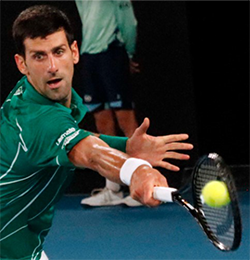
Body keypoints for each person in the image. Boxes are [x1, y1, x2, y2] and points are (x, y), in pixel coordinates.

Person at [0, 5, 193, 260]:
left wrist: (126, 146)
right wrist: (137, 170)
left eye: (58, 52)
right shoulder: (40, 120)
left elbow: (80, 139)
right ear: (21, 64)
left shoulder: (36, 98)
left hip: (20, 242)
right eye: (39, 56)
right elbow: (90, 154)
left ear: (75, 52)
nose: (52, 66)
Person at [75, 0, 141, 206]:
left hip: (112, 52)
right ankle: (113, 188)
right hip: (89, 55)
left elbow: (130, 23)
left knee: (126, 120)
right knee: (102, 122)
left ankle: (142, 186)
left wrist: (128, 53)